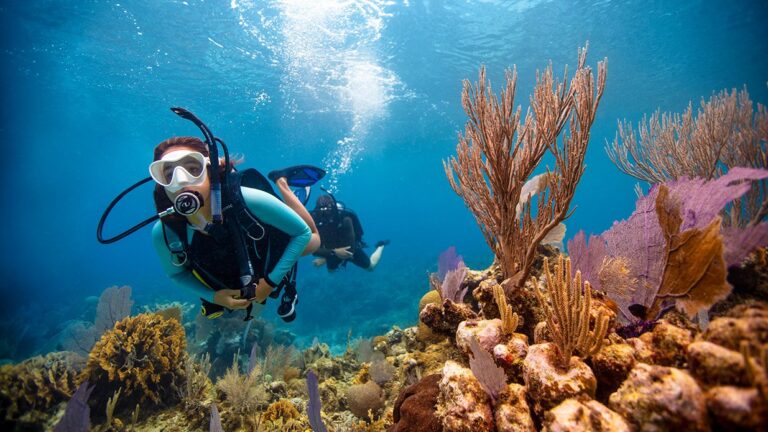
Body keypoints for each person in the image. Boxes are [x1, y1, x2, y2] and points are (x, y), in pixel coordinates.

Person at [150, 136, 323, 322]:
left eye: (193, 169)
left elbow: (302, 233)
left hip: (267, 243)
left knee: (313, 241)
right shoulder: (165, 233)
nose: (181, 181)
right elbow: (176, 274)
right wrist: (214, 297)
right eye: (169, 174)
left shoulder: (250, 199)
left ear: (210, 171)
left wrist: (270, 283)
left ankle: (282, 182)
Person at [310, 193, 388, 271]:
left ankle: (380, 246)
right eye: (321, 211)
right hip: (333, 250)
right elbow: (312, 248)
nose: (324, 214)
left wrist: (326, 258)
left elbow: (350, 249)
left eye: (327, 210)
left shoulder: (345, 219)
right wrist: (333, 252)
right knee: (330, 271)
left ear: (333, 208)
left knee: (371, 267)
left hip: (350, 247)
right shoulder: (314, 219)